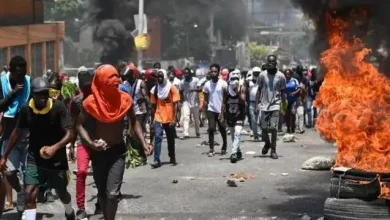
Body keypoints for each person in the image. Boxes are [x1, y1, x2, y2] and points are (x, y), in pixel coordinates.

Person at [76, 64, 151, 220]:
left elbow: (134, 120)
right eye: (110, 77)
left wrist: (144, 142)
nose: (116, 80)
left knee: (112, 194)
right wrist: (91, 143)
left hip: (118, 151)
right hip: (98, 152)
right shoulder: (90, 102)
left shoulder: (125, 99)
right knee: (102, 193)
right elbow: (79, 125)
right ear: (101, 81)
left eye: (116, 76)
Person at [0, 77, 76, 220]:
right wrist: (5, 155)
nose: (43, 97)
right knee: (29, 192)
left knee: (61, 191)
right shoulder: (26, 109)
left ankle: (69, 212)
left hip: (57, 157)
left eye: (45, 93)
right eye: (39, 93)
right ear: (33, 94)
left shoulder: (58, 107)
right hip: (34, 157)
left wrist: (55, 147)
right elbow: (17, 132)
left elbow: (70, 133)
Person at [68, 67, 101, 219]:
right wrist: (71, 145)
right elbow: (74, 124)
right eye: (83, 86)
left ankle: (101, 203)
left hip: (100, 141)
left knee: (101, 175)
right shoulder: (76, 101)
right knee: (81, 172)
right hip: (83, 142)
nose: (86, 88)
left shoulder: (100, 98)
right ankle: (81, 208)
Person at [0, 56, 30, 215]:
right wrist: (13, 93)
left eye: (23, 74)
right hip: (8, 135)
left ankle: (26, 205)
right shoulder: (2, 82)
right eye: (18, 74)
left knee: (28, 175)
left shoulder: (29, 82)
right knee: (9, 172)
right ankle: (19, 191)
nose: (21, 78)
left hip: (27, 136)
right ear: (10, 70)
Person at [255, 55, 286, 159]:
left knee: (273, 128)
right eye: (269, 61)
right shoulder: (262, 75)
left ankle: (273, 150)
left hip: (275, 105)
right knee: (263, 128)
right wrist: (256, 105)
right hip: (264, 105)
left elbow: (282, 91)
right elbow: (259, 90)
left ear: (276, 63)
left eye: (273, 62)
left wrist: (283, 106)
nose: (271, 63)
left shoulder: (281, 76)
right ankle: (267, 143)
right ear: (267, 62)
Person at [119, 63, 150, 165]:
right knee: (130, 135)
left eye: (128, 77)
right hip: (130, 113)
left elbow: (146, 97)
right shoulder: (125, 84)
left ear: (133, 75)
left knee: (137, 135)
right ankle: (136, 156)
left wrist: (143, 99)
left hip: (140, 112)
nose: (127, 79)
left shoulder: (141, 83)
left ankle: (142, 157)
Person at [150, 69, 180, 168]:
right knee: (158, 137)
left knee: (170, 139)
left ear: (165, 77)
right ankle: (156, 160)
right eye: (157, 77)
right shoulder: (154, 90)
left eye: (161, 77)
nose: (159, 79)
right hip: (158, 117)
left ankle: (172, 156)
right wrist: (152, 120)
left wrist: (175, 119)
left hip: (170, 117)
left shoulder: (172, 88)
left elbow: (176, 105)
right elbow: (153, 106)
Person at [203, 64, 228, 157]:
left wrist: (223, 112)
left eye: (215, 71)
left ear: (218, 72)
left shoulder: (223, 84)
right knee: (211, 129)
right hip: (211, 109)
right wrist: (204, 111)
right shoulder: (207, 84)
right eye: (212, 71)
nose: (213, 73)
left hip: (221, 109)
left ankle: (224, 145)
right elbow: (205, 99)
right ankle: (211, 149)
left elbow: (225, 98)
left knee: (222, 128)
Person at [225, 70, 246, 163]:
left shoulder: (242, 88)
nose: (235, 81)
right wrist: (222, 115)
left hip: (239, 115)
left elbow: (243, 101)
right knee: (233, 135)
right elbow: (223, 103)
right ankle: (238, 150)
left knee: (237, 133)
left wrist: (237, 91)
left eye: (236, 79)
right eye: (233, 79)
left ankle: (233, 153)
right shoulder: (226, 89)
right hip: (229, 115)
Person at [179, 67, 201, 139]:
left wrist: (193, 89)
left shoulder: (196, 80)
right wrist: (181, 101)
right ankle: (186, 133)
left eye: (187, 73)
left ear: (190, 74)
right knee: (186, 117)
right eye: (185, 73)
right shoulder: (182, 82)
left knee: (196, 119)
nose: (186, 75)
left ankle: (197, 131)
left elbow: (200, 89)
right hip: (186, 102)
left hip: (195, 102)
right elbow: (180, 92)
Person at [284, 69, 301, 134]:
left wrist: (294, 93)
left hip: (293, 99)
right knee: (287, 115)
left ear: (291, 74)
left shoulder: (294, 80)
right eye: (286, 74)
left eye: (288, 74)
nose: (287, 75)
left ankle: (293, 127)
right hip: (286, 100)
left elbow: (299, 88)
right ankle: (288, 128)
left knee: (293, 113)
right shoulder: (284, 80)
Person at [248, 67, 261, 141]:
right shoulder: (249, 80)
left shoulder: (262, 79)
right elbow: (245, 90)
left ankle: (261, 132)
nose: (256, 74)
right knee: (253, 119)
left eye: (258, 73)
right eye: (255, 73)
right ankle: (255, 135)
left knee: (260, 119)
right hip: (252, 102)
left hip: (261, 102)